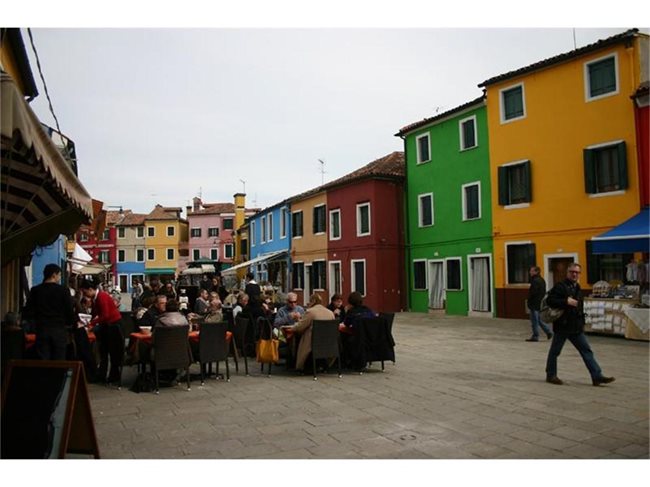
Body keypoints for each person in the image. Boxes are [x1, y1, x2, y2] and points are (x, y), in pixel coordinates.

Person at [544, 263, 615, 386]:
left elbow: (579, 306)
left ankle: (596, 376)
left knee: (586, 351)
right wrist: (565, 301)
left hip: (576, 327)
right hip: (563, 326)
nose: (574, 274)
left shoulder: (577, 287)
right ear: (567, 273)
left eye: (577, 272)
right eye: (572, 272)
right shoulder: (560, 286)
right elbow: (550, 300)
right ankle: (551, 375)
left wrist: (582, 322)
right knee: (555, 352)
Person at [22, 263, 77, 360]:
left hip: (42, 329)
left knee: (43, 359)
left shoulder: (36, 290)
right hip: (59, 329)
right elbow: (69, 311)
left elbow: (29, 310)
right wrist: (72, 323)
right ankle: (57, 375)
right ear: (54, 275)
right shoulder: (63, 290)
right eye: (59, 275)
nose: (59, 278)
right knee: (59, 359)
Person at [80, 279, 123, 384]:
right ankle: (102, 375)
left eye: (85, 292)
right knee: (104, 350)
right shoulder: (96, 298)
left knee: (112, 352)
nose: (85, 294)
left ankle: (113, 376)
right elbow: (95, 313)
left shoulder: (101, 297)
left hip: (114, 326)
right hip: (108, 326)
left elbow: (105, 315)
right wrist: (88, 321)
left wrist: (92, 324)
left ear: (90, 289)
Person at [282, 293, 335, 371]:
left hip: (312, 343)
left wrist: (290, 327)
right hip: (327, 343)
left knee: (299, 339)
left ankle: (298, 364)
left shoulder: (311, 312)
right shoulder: (330, 313)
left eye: (310, 301)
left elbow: (300, 326)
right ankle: (323, 365)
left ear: (313, 301)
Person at [526, 266, 553, 342]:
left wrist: (529, 300)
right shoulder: (541, 280)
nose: (530, 272)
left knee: (534, 320)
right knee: (538, 319)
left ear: (536, 272)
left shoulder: (535, 281)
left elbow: (533, 292)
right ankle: (548, 332)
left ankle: (535, 336)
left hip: (534, 303)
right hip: (539, 302)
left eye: (531, 271)